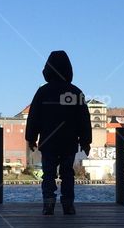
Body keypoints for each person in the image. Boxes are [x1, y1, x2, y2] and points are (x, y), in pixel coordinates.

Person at [25, 50, 92, 215]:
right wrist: (85, 141)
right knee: (67, 173)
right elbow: (84, 119)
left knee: (48, 174)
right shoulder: (76, 92)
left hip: (48, 141)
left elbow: (33, 117)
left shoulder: (42, 92)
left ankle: (48, 204)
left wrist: (31, 138)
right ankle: (68, 204)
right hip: (69, 141)